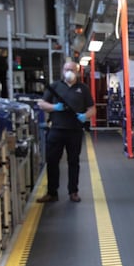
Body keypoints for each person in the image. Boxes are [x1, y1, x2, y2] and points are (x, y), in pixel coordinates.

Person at [36, 61, 96, 203]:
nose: (69, 72)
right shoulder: (55, 87)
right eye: (67, 69)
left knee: (73, 162)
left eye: (72, 70)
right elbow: (41, 104)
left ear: (77, 72)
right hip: (56, 130)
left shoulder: (83, 89)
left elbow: (92, 109)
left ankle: (73, 192)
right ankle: (52, 193)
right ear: (63, 71)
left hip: (75, 131)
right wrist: (54, 107)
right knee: (52, 161)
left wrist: (85, 116)